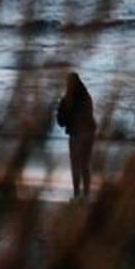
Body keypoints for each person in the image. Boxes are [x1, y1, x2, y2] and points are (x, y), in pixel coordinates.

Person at [55, 71, 96, 199]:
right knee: (84, 164)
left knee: (77, 165)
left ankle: (78, 193)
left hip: (78, 134)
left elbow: (62, 120)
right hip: (87, 133)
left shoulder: (69, 99)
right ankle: (84, 193)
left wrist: (64, 112)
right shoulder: (85, 97)